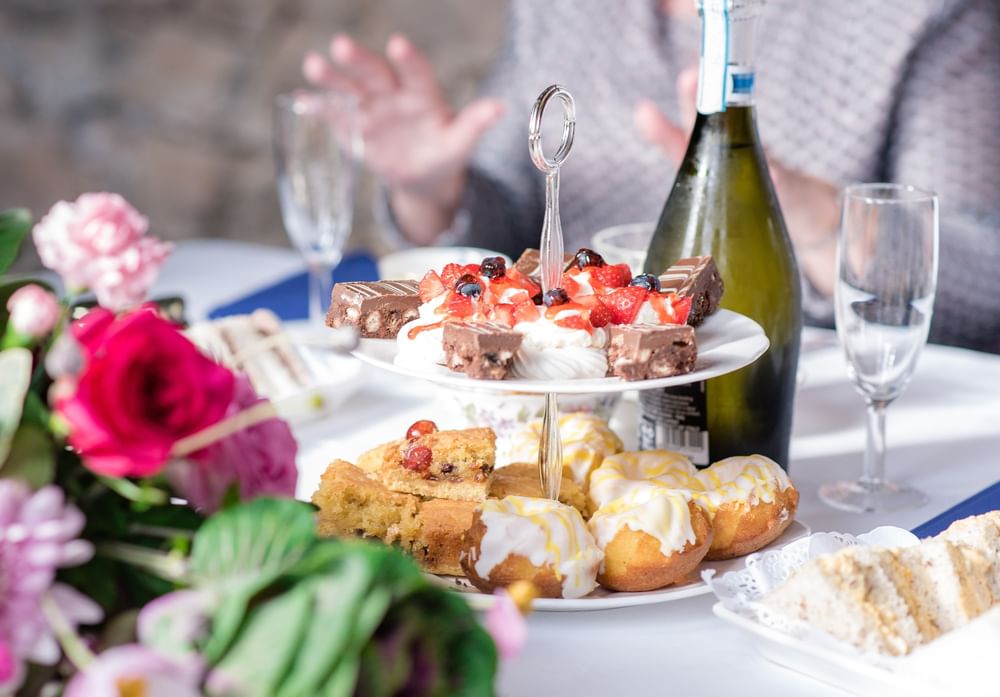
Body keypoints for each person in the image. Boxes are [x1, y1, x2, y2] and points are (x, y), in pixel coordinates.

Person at [303, 0, 1000, 352]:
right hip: (576, 397)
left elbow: (985, 285)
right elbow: (512, 221)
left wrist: (810, 217)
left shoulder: (920, 16)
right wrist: (433, 188)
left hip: (815, 415)